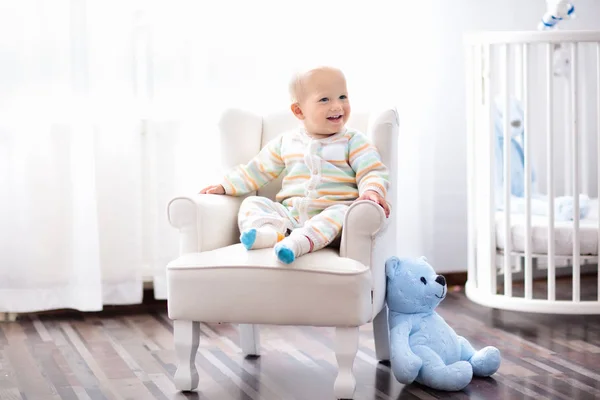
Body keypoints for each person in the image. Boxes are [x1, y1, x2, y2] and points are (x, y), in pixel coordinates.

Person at [200, 66, 390, 264]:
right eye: (325, 99)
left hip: (331, 216)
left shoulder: (353, 140)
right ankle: (271, 233)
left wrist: (372, 191)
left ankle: (299, 243)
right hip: (290, 216)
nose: (337, 106)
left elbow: (371, 170)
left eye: (343, 96)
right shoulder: (286, 142)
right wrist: (225, 186)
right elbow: (256, 171)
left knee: (342, 213)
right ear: (299, 111)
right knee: (252, 203)